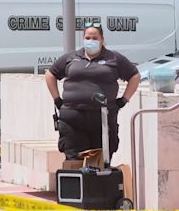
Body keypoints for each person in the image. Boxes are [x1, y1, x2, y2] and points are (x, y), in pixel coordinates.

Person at [45, 22, 140, 160]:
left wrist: (124, 100)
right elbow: (50, 74)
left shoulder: (113, 58)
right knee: (74, 161)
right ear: (83, 39)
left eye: (95, 38)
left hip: (103, 118)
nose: (91, 41)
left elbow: (134, 76)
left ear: (102, 39)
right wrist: (57, 99)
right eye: (88, 38)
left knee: (101, 161)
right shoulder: (71, 58)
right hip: (72, 118)